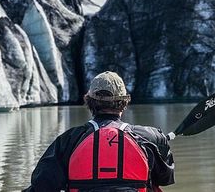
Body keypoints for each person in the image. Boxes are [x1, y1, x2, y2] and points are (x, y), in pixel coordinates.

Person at [23, 71, 175, 192]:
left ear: (89, 102)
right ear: (124, 103)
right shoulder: (151, 137)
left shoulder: (67, 141)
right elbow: (165, 179)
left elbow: (42, 185)